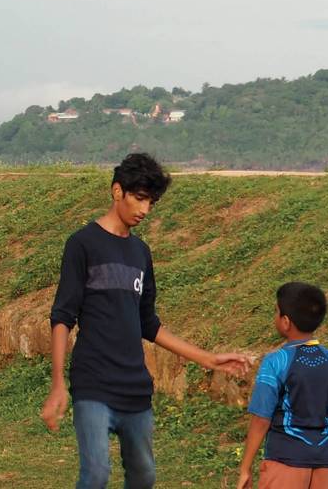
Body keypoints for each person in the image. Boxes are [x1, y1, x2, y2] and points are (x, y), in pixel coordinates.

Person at [42, 152, 250, 489]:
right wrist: (57, 383)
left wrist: (209, 359)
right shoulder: (82, 244)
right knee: (96, 474)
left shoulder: (141, 253)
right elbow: (62, 316)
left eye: (151, 202)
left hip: (135, 387)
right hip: (92, 382)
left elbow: (148, 324)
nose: (145, 210)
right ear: (117, 191)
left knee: (144, 476)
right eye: (139, 198)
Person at [238, 283, 328, 489]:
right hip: (323, 464)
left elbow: (261, 419)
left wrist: (245, 468)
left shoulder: (276, 362)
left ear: (286, 322)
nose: (275, 317)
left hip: (284, 463)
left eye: (276, 311)